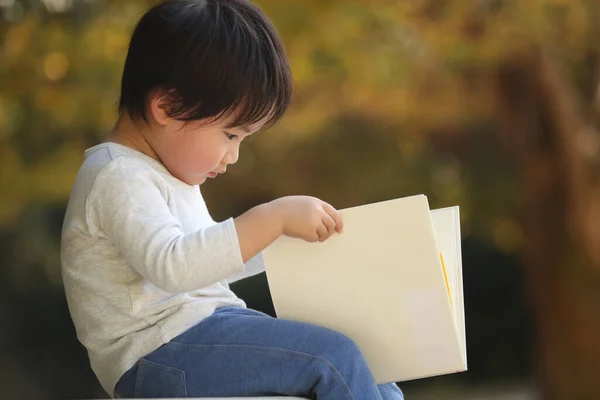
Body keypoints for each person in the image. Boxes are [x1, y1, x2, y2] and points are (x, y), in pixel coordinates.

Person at [60, 0, 404, 399]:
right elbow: (176, 267)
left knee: (371, 363)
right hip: (160, 355)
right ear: (167, 107)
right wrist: (270, 220)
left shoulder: (162, 175)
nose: (234, 155)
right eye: (230, 135)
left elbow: (208, 263)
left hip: (195, 341)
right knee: (334, 356)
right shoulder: (118, 176)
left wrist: (286, 239)